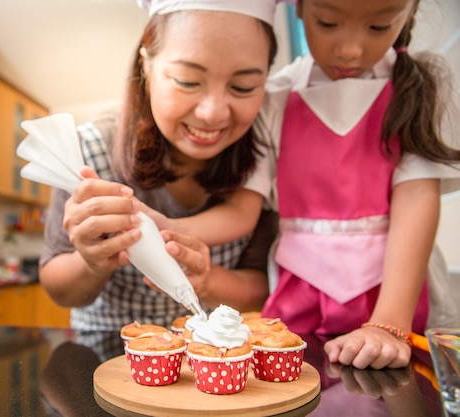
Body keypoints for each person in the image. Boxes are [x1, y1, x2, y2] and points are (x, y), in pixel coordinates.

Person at [171, 0, 460, 369]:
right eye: (328, 23)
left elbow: (417, 200)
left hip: (396, 294)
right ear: (301, 8)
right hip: (299, 292)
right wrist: (163, 228)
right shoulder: (275, 96)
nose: (350, 49)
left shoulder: (418, 87)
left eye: (379, 27)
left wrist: (389, 324)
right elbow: (242, 212)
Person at [38, 0, 280, 353]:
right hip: (107, 355)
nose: (212, 113)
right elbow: (60, 289)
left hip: (217, 358)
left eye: (243, 87)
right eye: (187, 81)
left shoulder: (262, 153)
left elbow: (261, 287)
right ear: (146, 65)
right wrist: (92, 261)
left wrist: (208, 279)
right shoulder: (89, 152)